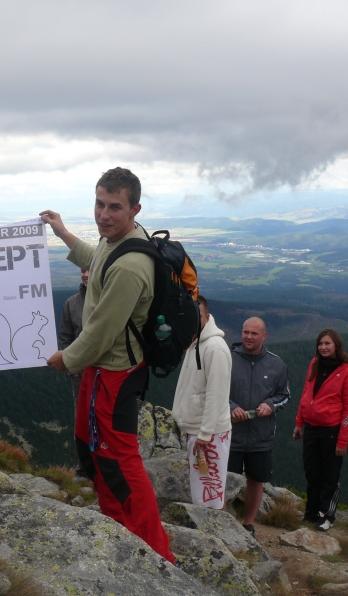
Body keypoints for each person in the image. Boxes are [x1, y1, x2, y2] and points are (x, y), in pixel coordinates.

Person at [40, 167, 174, 564]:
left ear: (135, 208)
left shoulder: (131, 267)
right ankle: (114, 520)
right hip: (101, 371)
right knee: (90, 444)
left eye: (115, 207)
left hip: (115, 372)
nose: (104, 214)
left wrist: (65, 359)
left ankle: (154, 550)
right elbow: (96, 259)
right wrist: (63, 233)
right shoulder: (117, 243)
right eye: (100, 204)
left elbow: (100, 332)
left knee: (119, 457)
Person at [228, 317, 290, 537]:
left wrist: (270, 405)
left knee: (256, 480)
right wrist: (231, 406)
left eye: (254, 333)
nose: (248, 337)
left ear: (264, 336)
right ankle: (226, 521)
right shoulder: (228, 358)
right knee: (227, 480)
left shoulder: (276, 364)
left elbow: (285, 395)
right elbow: (214, 391)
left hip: (260, 436)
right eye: (245, 332)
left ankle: (248, 524)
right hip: (230, 434)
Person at [293, 328, 348, 531]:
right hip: (311, 428)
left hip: (331, 430)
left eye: (328, 343)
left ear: (336, 345)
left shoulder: (346, 372)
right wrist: (299, 422)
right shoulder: (314, 363)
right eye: (321, 343)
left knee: (330, 475)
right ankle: (311, 512)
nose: (323, 347)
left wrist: (342, 441)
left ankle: (327, 514)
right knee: (312, 473)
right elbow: (306, 393)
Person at [172, 295, 233, 510]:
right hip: (200, 431)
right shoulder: (195, 343)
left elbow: (217, 394)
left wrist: (205, 433)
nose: (191, 319)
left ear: (206, 317)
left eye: (196, 315)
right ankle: (215, 535)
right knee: (207, 489)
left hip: (208, 434)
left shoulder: (215, 348)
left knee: (210, 493)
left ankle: (216, 538)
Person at [59, 268, 90, 399]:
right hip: (80, 371)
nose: (86, 275)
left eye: (91, 270)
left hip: (106, 369)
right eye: (83, 271)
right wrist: (72, 366)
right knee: (81, 412)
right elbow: (66, 337)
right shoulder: (71, 303)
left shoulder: (109, 300)